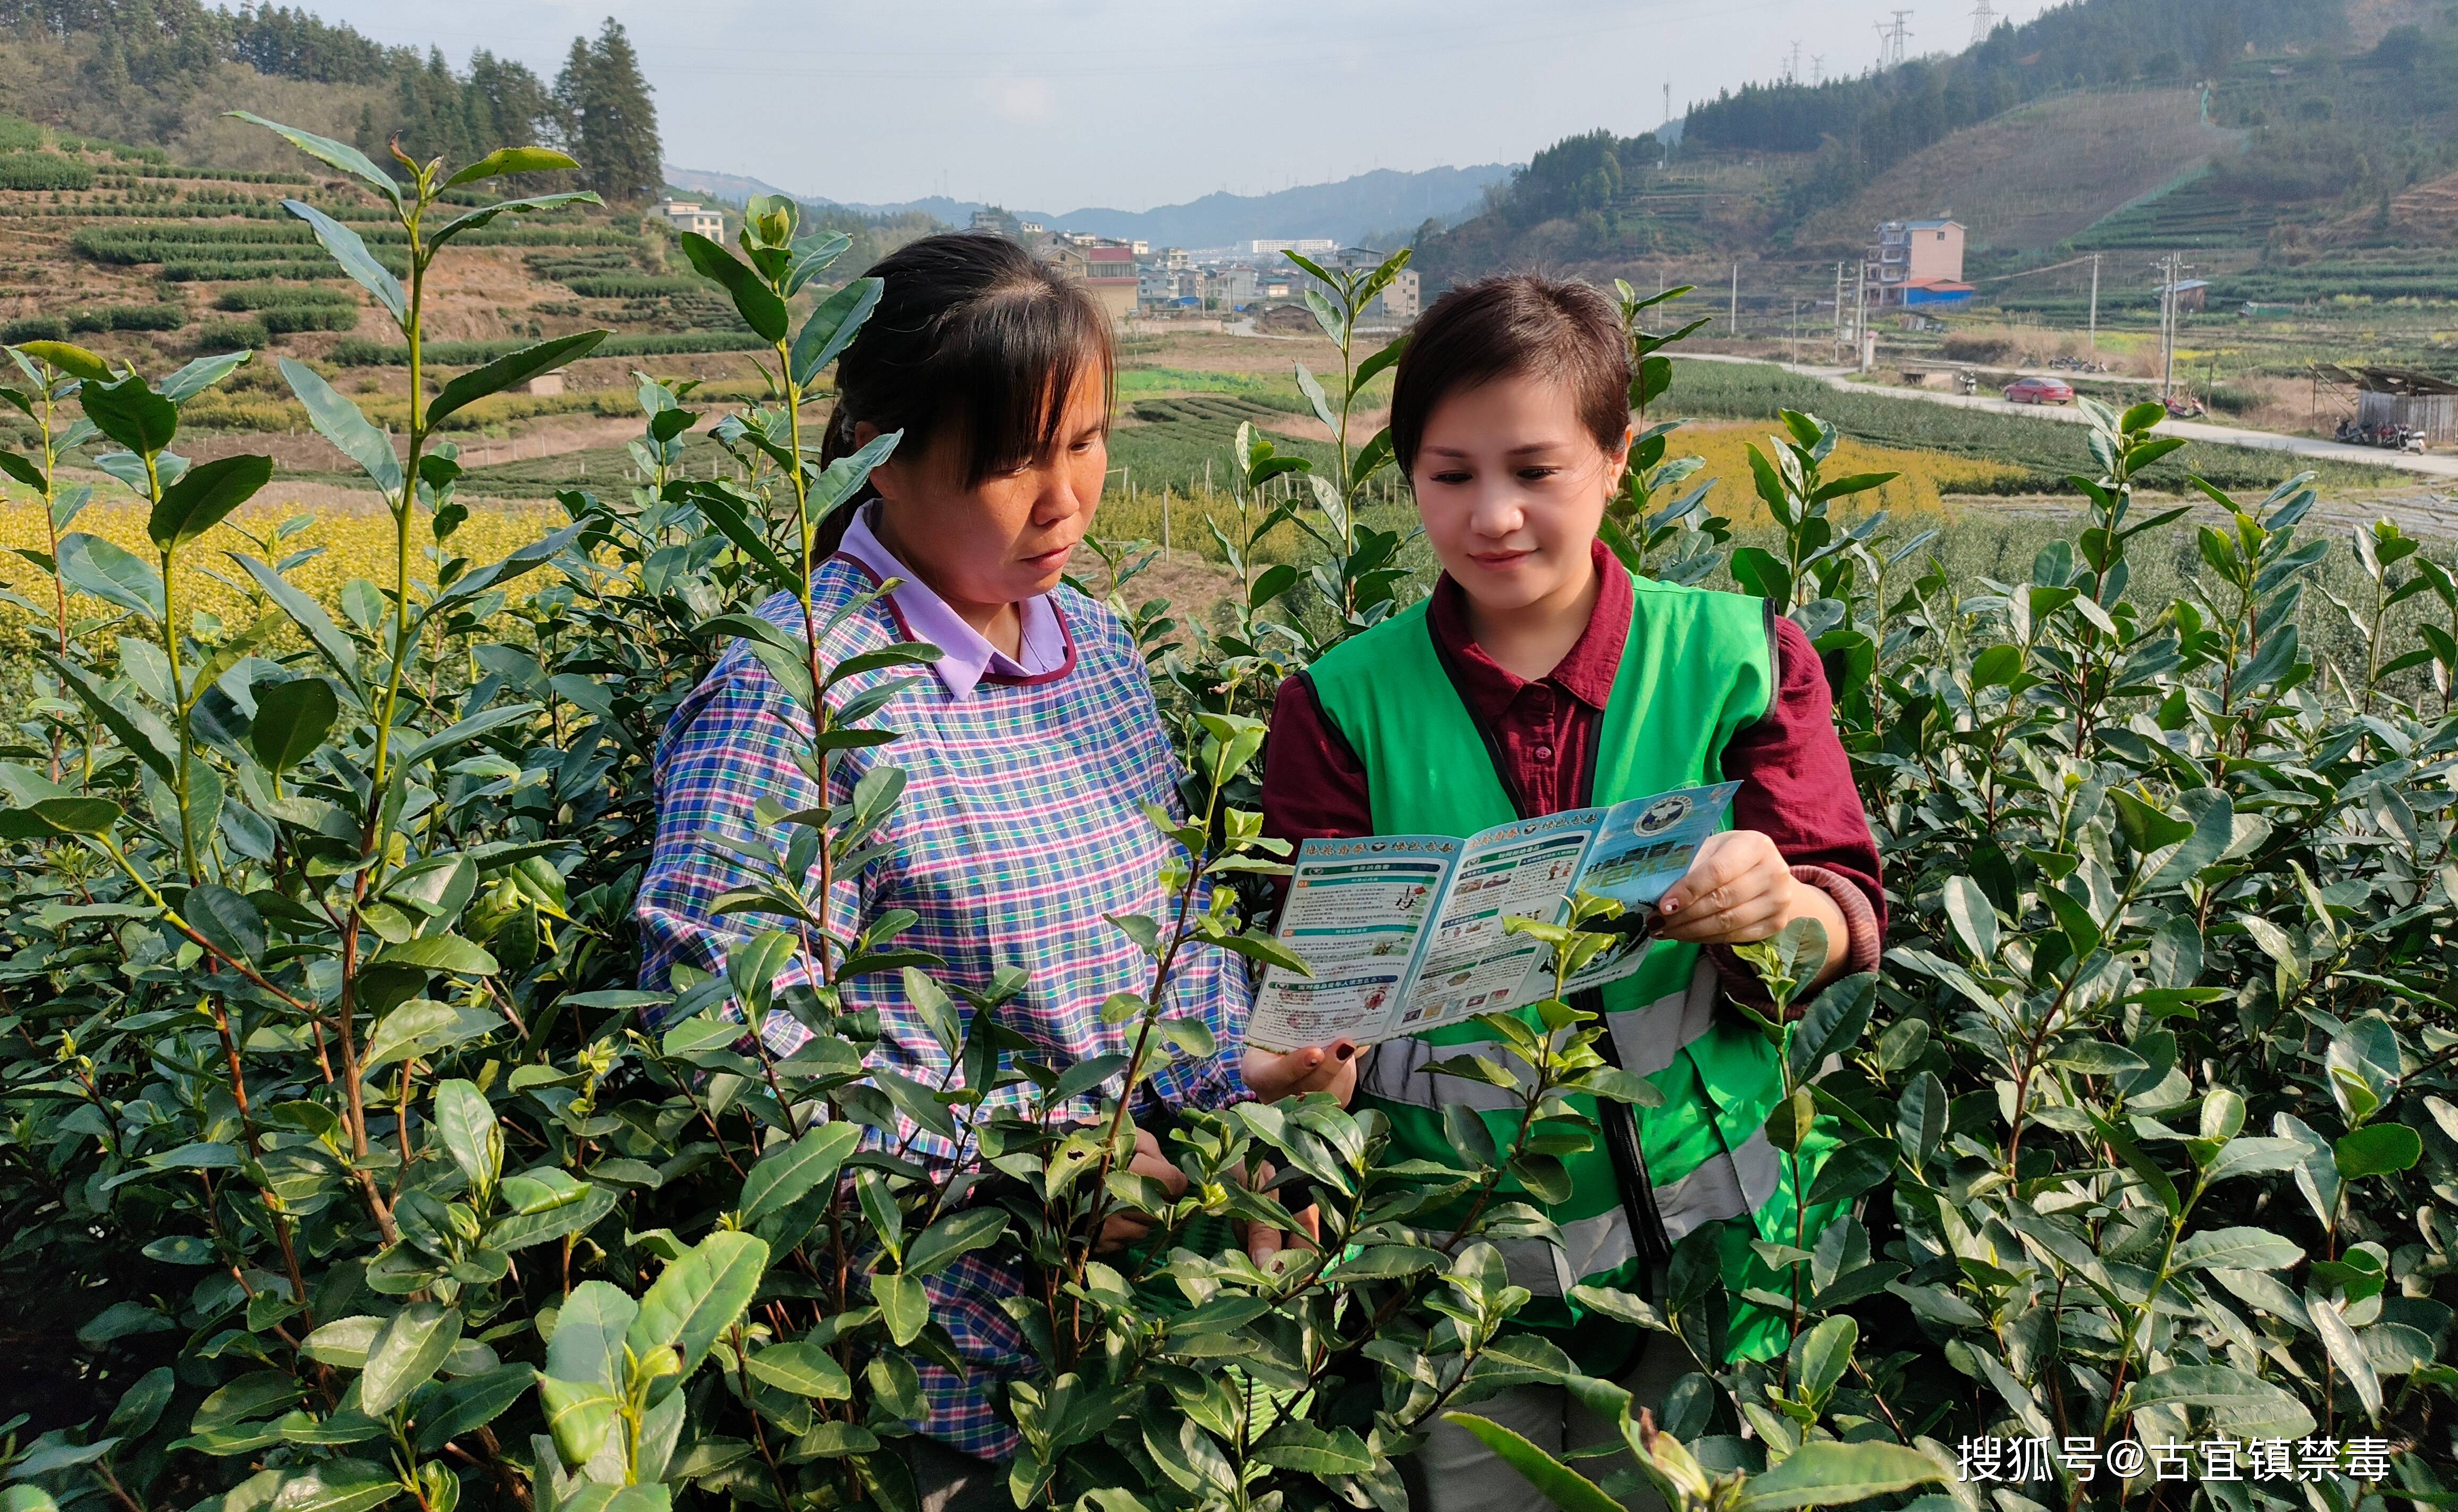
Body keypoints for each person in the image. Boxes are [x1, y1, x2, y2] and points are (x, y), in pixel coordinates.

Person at [637, 233, 1345, 1508]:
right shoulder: (790, 695)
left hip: (1164, 1341)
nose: (1064, 498)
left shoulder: (1097, 645)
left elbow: (1149, 950)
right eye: (1013, 458)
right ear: (878, 456)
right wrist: (1033, 1163)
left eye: (1083, 442)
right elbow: (727, 1030)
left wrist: (1245, 1080)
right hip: (951, 1380)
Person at [1260, 274, 1885, 1512]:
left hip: (1710, 1237)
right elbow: (1302, 981)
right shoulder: (1339, 704)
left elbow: (1845, 906)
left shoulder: (1740, 658)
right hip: (1456, 1254)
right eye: (1449, 475)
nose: (1492, 516)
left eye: (1534, 470)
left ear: (1616, 458)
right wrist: (1295, 1122)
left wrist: (1785, 909)